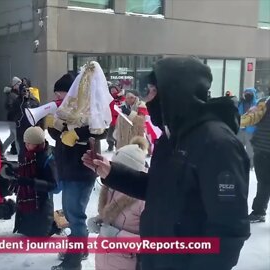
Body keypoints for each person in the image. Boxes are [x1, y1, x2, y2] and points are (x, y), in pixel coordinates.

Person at [82, 56, 250, 270]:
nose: (147, 99)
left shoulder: (218, 144)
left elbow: (229, 230)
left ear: (174, 93)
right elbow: (158, 188)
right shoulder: (172, 137)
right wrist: (111, 173)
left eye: (152, 91)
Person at [49, 64, 112, 270]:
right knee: (70, 212)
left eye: (61, 92)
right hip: (67, 167)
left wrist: (77, 135)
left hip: (81, 170)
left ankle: (74, 260)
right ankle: (79, 249)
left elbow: (100, 131)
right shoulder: (68, 110)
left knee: (75, 215)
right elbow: (59, 138)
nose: (59, 95)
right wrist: (54, 128)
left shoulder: (90, 110)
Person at [87, 136, 147, 270]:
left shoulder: (143, 200)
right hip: (104, 261)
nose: (110, 172)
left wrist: (117, 236)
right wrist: (99, 220)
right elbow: (111, 219)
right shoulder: (109, 188)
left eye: (116, 169)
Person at [12, 126, 58, 237]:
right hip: (27, 198)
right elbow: (23, 168)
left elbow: (53, 186)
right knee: (27, 230)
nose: (26, 146)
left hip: (41, 201)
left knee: (39, 234)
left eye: (29, 143)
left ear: (38, 143)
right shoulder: (26, 154)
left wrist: (31, 182)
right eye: (25, 143)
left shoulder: (47, 158)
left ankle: (54, 225)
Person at [241, 96, 270, 223]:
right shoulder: (264, 101)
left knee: (264, 182)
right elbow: (251, 118)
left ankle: (259, 211)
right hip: (262, 149)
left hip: (263, 148)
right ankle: (259, 211)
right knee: (263, 182)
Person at [11, 83, 40, 163]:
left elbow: (40, 114)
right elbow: (13, 113)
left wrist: (39, 127)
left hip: (32, 128)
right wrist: (17, 120)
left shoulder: (34, 101)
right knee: (22, 149)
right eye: (23, 91)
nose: (26, 92)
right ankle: (22, 165)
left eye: (27, 90)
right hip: (21, 129)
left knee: (33, 148)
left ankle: (33, 166)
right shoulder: (17, 101)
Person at [238, 88, 258, 169]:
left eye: (249, 93)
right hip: (240, 129)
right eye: (246, 93)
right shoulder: (241, 103)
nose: (247, 95)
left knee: (250, 149)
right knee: (238, 147)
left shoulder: (256, 105)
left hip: (250, 130)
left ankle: (251, 165)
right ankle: (239, 162)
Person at [2, 76, 21, 155]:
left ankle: (1, 150)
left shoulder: (15, 94)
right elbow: (8, 106)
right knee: (17, 137)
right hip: (13, 120)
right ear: (15, 85)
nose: (20, 85)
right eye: (19, 83)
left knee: (12, 137)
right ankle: (20, 154)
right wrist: (16, 112)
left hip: (12, 119)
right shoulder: (12, 95)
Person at [107, 84, 125, 152]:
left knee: (117, 135)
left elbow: (124, 106)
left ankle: (117, 147)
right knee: (109, 136)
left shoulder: (122, 98)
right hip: (112, 120)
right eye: (111, 90)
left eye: (114, 90)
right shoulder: (109, 98)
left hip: (120, 120)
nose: (113, 91)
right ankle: (110, 146)